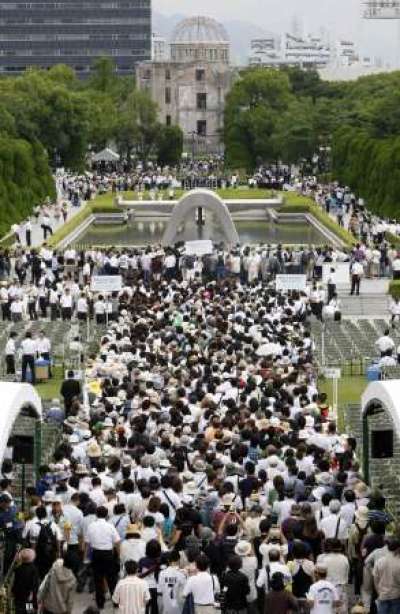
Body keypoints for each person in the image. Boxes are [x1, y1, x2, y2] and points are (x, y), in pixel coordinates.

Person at [85, 505, 121, 610]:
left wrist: (86, 557)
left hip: (96, 554)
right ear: (106, 515)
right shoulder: (110, 526)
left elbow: (87, 544)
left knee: (98, 579)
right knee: (112, 579)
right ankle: (115, 602)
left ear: (96, 514)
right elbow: (117, 542)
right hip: (108, 554)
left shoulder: (91, 526)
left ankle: (100, 603)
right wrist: (119, 555)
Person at [373, 537, 400, 614]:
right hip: (396, 596)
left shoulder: (379, 561)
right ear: (398, 549)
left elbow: (375, 580)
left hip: (382, 596)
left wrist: (379, 592)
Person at [12, 548, 40, 614]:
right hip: (29, 598)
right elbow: (35, 585)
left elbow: (15, 583)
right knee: (29, 612)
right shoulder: (34, 570)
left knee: (18, 610)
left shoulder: (18, 569)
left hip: (19, 597)